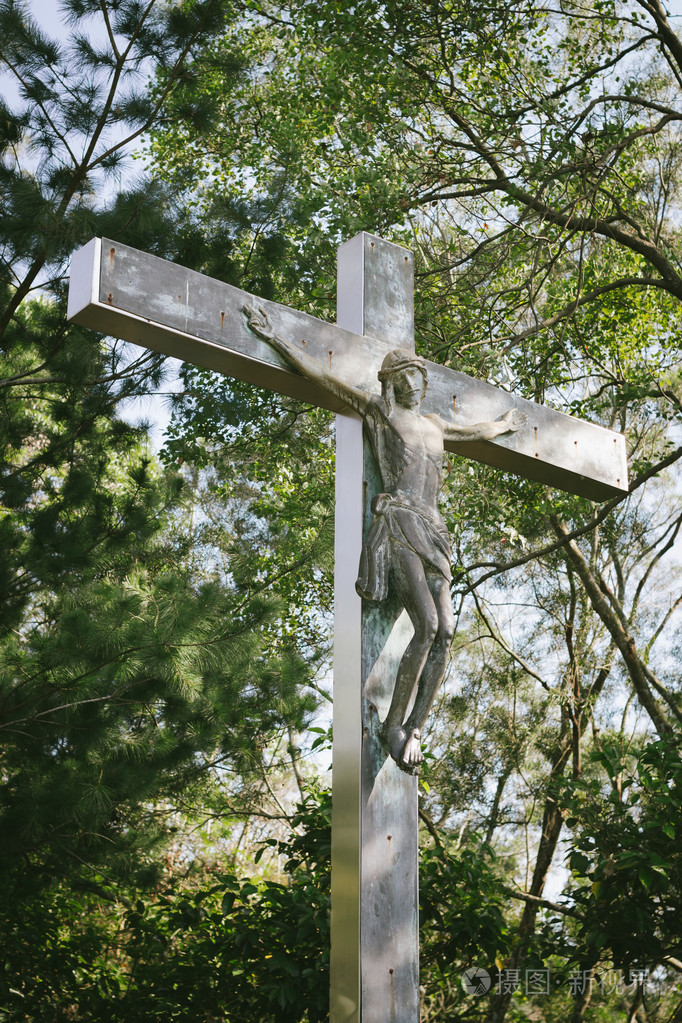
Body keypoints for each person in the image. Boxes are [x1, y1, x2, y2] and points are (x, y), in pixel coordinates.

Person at [243, 305, 525, 771]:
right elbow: (326, 379)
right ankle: (394, 726)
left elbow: (474, 431)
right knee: (428, 624)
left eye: (418, 377)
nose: (413, 384)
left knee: (448, 631)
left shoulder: (435, 425)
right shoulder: (378, 412)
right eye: (404, 378)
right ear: (391, 383)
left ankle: (416, 726)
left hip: (434, 531)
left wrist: (503, 425)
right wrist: (278, 340)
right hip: (398, 525)